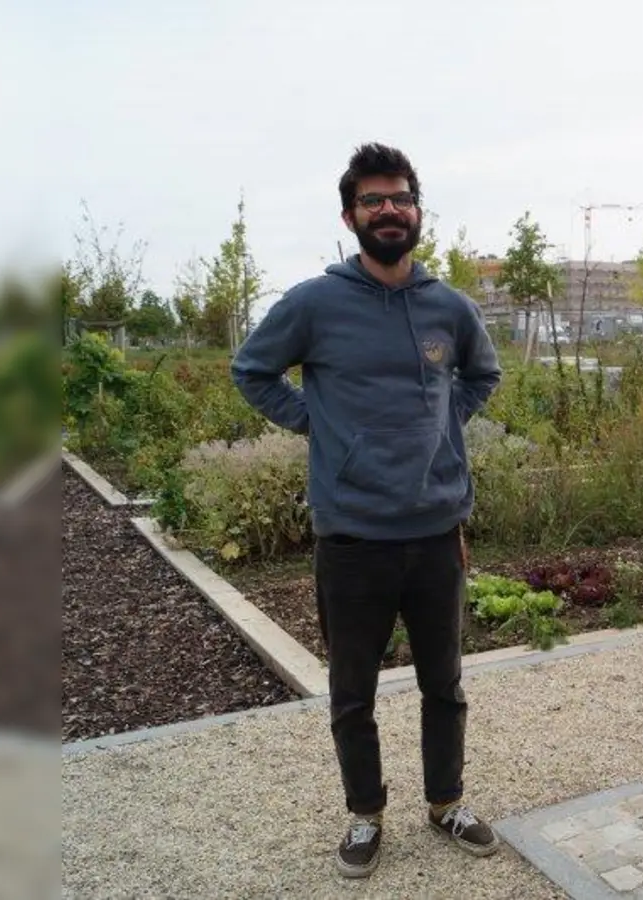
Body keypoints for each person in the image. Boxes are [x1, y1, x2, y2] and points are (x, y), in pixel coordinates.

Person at [230, 142, 503, 878]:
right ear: (350, 214)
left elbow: (484, 373)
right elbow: (251, 370)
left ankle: (446, 802)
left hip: (435, 533)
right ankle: (365, 815)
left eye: (401, 198)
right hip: (351, 538)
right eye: (374, 200)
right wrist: (317, 425)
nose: (390, 210)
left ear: (418, 211)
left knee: (444, 683)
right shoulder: (315, 304)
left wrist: (447, 426)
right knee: (354, 693)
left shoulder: (450, 306)